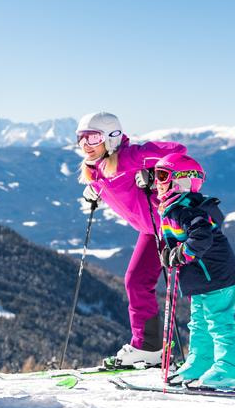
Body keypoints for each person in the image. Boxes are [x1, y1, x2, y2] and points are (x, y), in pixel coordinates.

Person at [77, 111, 187, 368]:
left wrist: (155, 171)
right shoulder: (98, 168)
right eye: (81, 139)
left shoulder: (130, 156)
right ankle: (149, 348)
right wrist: (95, 190)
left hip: (174, 228)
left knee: (194, 290)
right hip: (152, 232)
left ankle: (219, 355)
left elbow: (178, 151)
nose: (85, 145)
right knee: (136, 282)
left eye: (93, 138)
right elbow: (115, 184)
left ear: (112, 138)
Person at [154, 152, 235, 389]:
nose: (157, 182)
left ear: (183, 180)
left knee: (219, 323)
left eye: (163, 175)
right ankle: (201, 361)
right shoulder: (175, 207)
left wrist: (180, 254)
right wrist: (170, 252)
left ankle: (232, 370)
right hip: (202, 279)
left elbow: (201, 236)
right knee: (199, 323)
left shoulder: (186, 209)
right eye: (155, 175)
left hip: (217, 276)